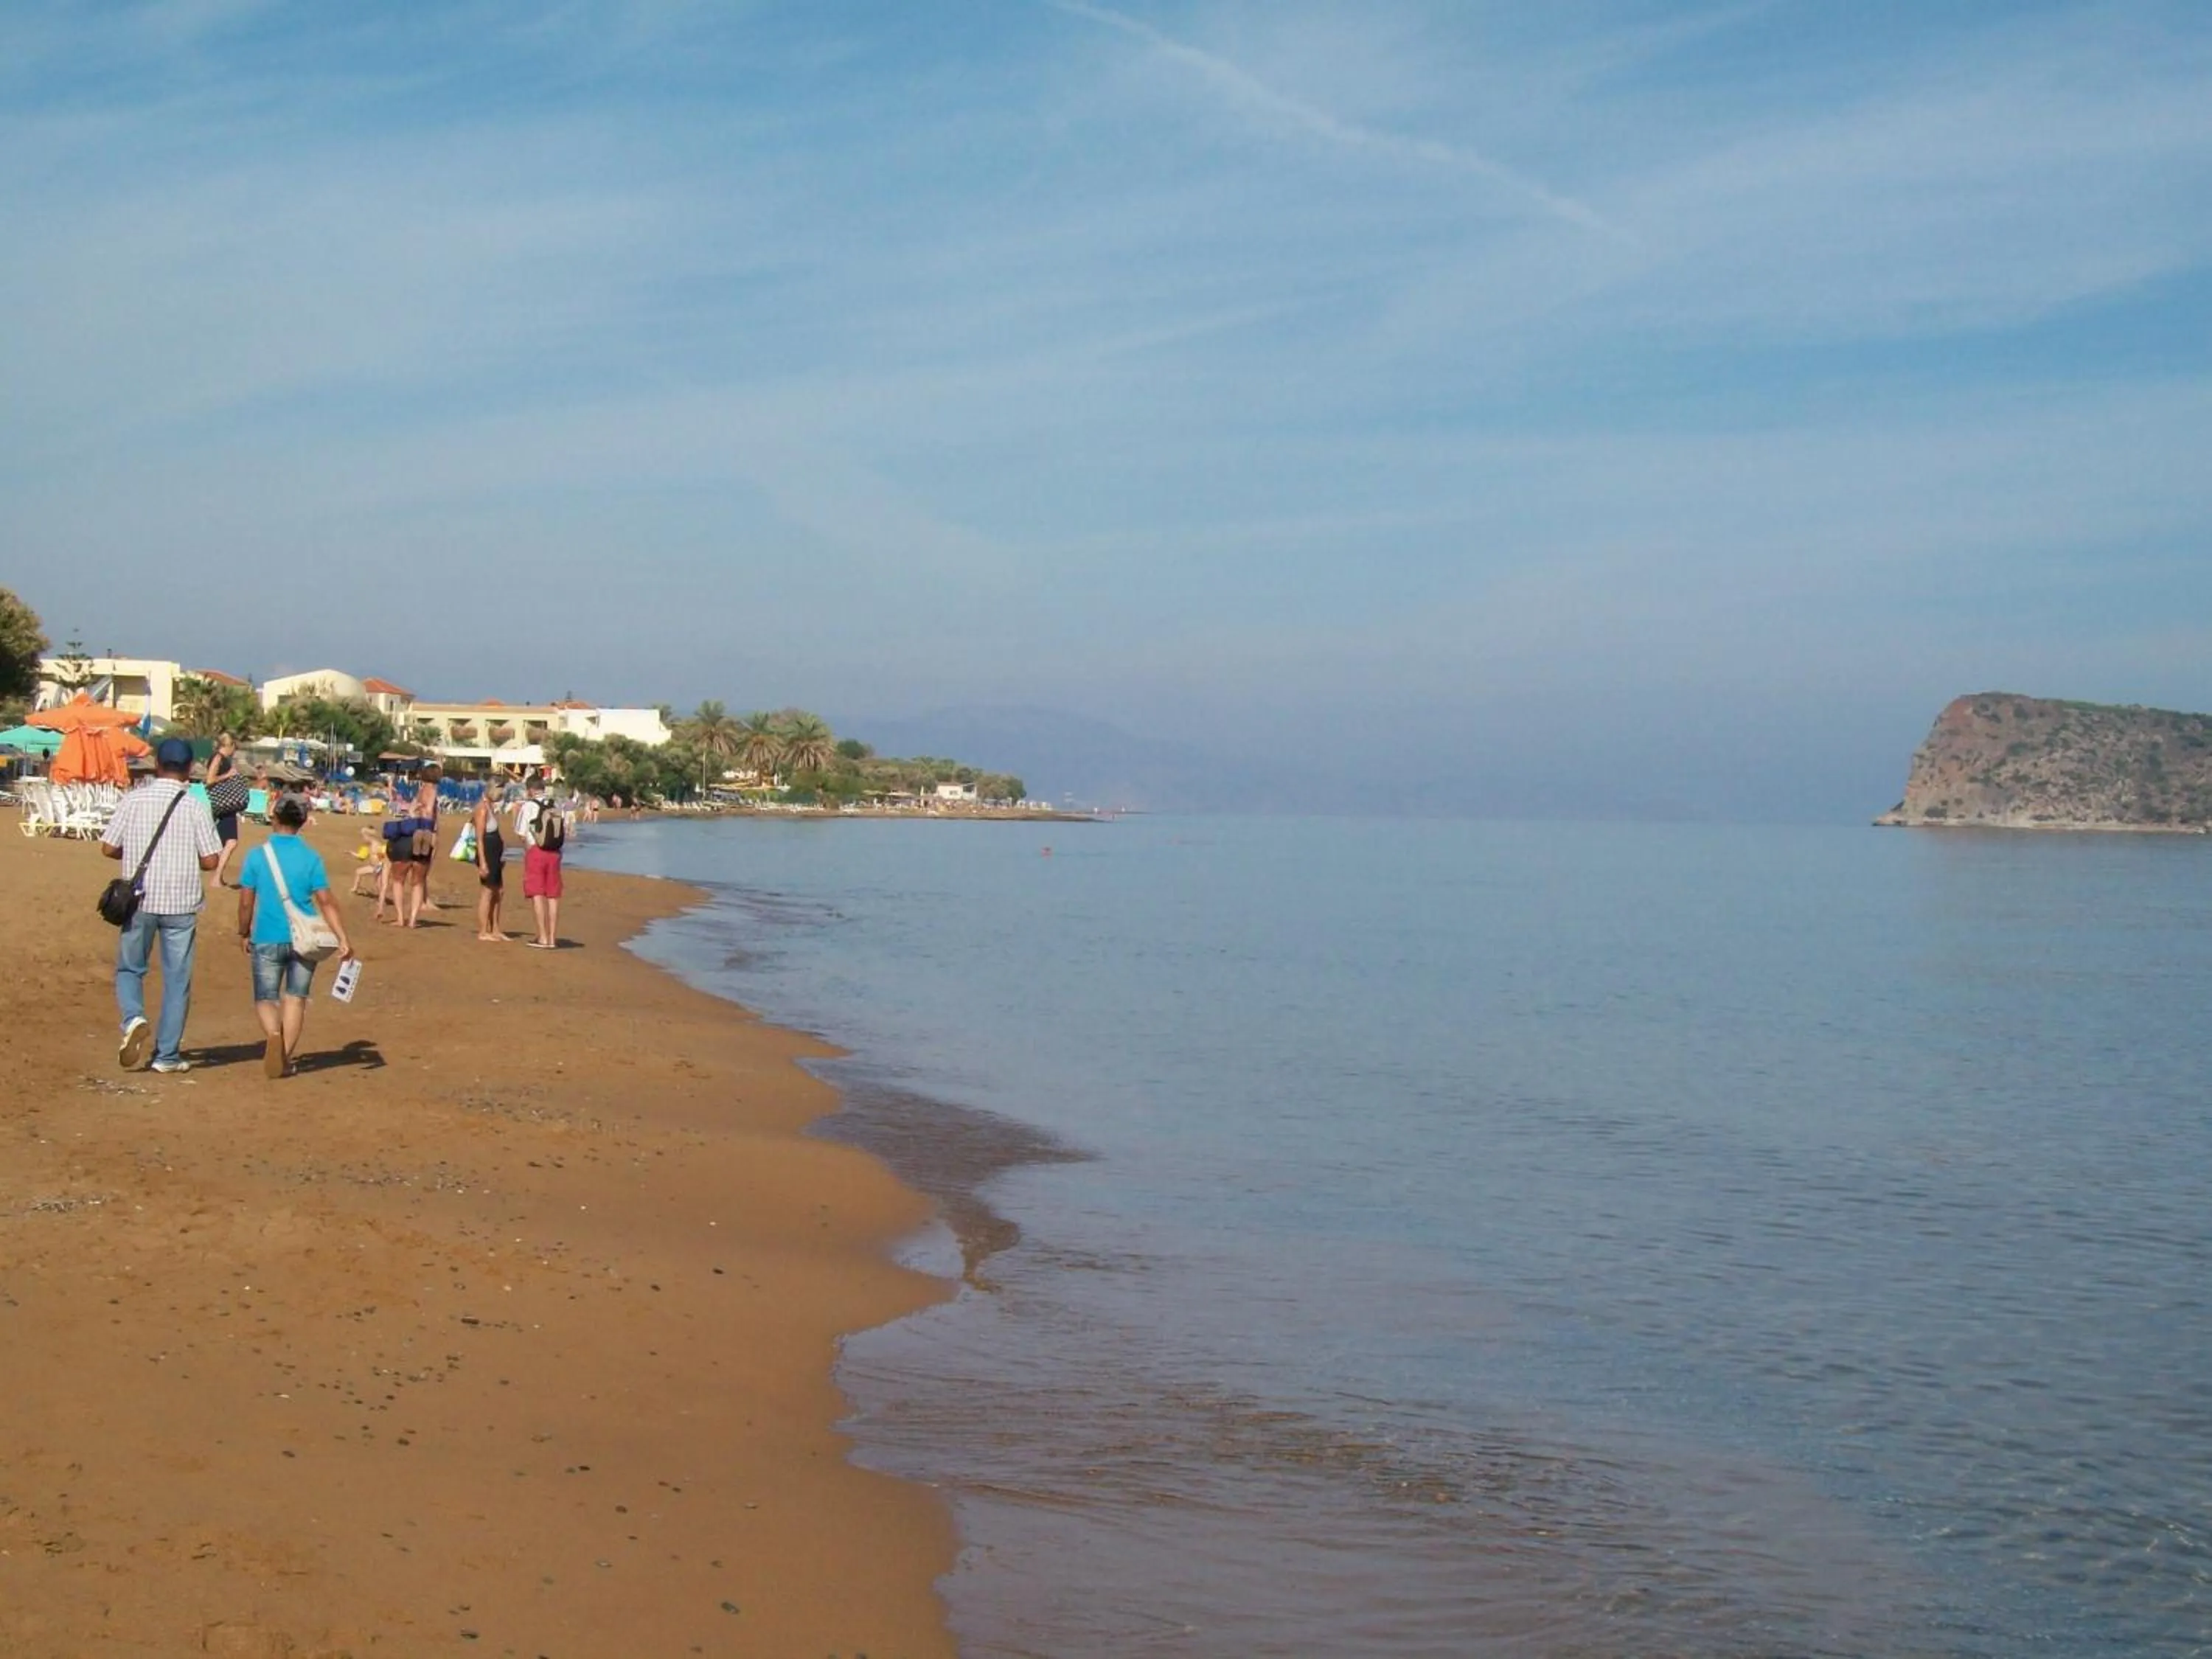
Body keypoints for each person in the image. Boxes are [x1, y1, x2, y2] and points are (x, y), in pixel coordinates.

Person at [101, 737, 223, 1074]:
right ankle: (167, 1055)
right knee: (177, 980)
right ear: (187, 770)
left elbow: (109, 848)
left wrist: (137, 854)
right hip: (181, 902)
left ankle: (134, 1017)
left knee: (130, 968)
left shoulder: (134, 800)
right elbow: (212, 860)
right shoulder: (195, 805)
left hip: (139, 899)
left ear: (157, 765)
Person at [237, 794, 355, 1079]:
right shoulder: (311, 857)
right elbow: (326, 901)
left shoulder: (257, 854)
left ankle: (273, 1034)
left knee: (266, 997)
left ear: (275, 818)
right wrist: (343, 938)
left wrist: (243, 931)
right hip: (304, 938)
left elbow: (245, 902)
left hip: (267, 934)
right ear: (302, 822)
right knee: (296, 998)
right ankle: (285, 1057)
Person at [519, 777, 566, 948]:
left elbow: (521, 833)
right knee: (553, 895)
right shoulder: (556, 804)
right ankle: (553, 938)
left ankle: (543, 937)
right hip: (555, 853)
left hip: (536, 852)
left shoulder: (529, 806)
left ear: (531, 790)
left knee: (537, 893)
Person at [206, 732, 244, 888]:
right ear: (228, 745)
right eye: (234, 746)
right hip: (224, 806)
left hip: (225, 806)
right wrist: (228, 775)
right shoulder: (218, 758)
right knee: (231, 842)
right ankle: (216, 877)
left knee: (225, 843)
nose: (234, 750)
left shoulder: (220, 758)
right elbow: (209, 780)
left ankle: (217, 876)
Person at [472, 787, 506, 941]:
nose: (502, 794)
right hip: (487, 853)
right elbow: (479, 838)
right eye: (500, 791)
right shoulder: (482, 809)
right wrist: (483, 862)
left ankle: (496, 929)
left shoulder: (490, 807)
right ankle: (483, 931)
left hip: (495, 853)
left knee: (499, 891)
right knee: (487, 892)